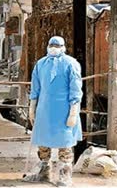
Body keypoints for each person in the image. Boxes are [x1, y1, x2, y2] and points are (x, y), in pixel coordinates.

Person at [23, 36, 83, 186]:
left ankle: (64, 176)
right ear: (47, 46)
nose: (54, 47)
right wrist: (32, 108)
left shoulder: (71, 64)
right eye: (52, 45)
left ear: (63, 46)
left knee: (65, 143)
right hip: (44, 110)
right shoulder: (41, 64)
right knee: (43, 142)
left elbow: (75, 90)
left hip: (64, 110)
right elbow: (35, 88)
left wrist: (73, 112)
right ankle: (44, 172)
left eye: (57, 45)